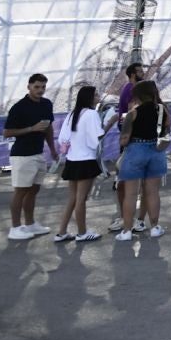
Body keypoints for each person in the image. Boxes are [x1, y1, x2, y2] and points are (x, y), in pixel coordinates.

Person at [114, 79, 171, 241]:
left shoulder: (132, 114)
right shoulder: (163, 110)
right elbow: (167, 129)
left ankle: (126, 231)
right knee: (153, 192)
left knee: (131, 193)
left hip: (135, 151)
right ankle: (154, 227)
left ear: (138, 95)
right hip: (157, 151)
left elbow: (124, 140)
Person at [3, 72, 57, 241]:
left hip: (38, 153)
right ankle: (15, 227)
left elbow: (48, 128)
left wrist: (53, 150)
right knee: (21, 191)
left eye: (43, 87)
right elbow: (6, 132)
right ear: (29, 87)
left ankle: (30, 223)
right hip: (22, 155)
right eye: (36, 87)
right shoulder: (19, 107)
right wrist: (31, 129)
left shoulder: (47, 104)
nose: (40, 90)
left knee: (34, 190)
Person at [51, 85, 104, 244]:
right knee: (81, 199)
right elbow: (97, 139)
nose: (98, 97)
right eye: (95, 95)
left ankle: (61, 232)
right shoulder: (92, 114)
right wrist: (108, 124)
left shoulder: (71, 114)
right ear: (89, 98)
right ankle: (82, 232)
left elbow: (62, 140)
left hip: (72, 161)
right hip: (86, 161)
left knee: (73, 199)